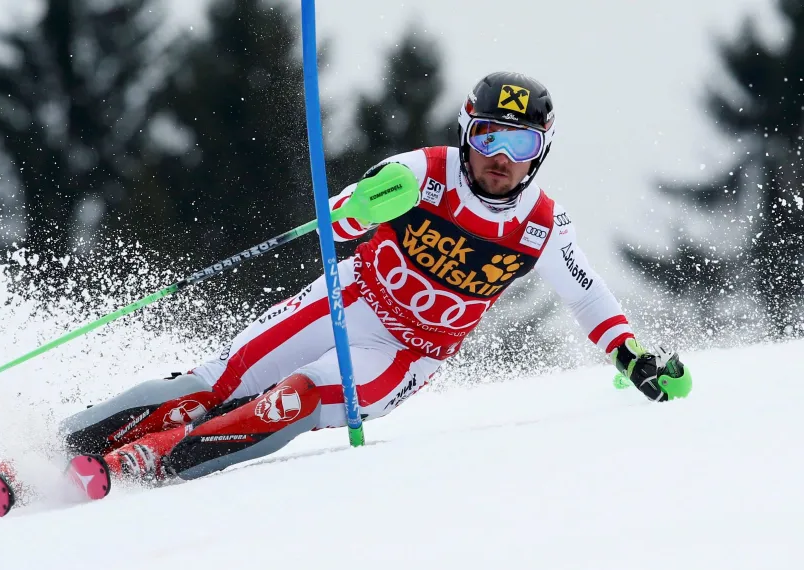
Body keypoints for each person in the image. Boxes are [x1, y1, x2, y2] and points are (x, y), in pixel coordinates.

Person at [60, 71, 692, 485]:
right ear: (468, 132)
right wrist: (359, 208)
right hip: (350, 297)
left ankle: (155, 463)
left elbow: (586, 294)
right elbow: (334, 228)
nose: (502, 158)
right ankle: (61, 446)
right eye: (491, 136)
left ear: (541, 152)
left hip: (405, 354)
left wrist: (630, 357)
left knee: (296, 399)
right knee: (215, 380)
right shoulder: (422, 173)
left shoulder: (542, 226)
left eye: (521, 145)